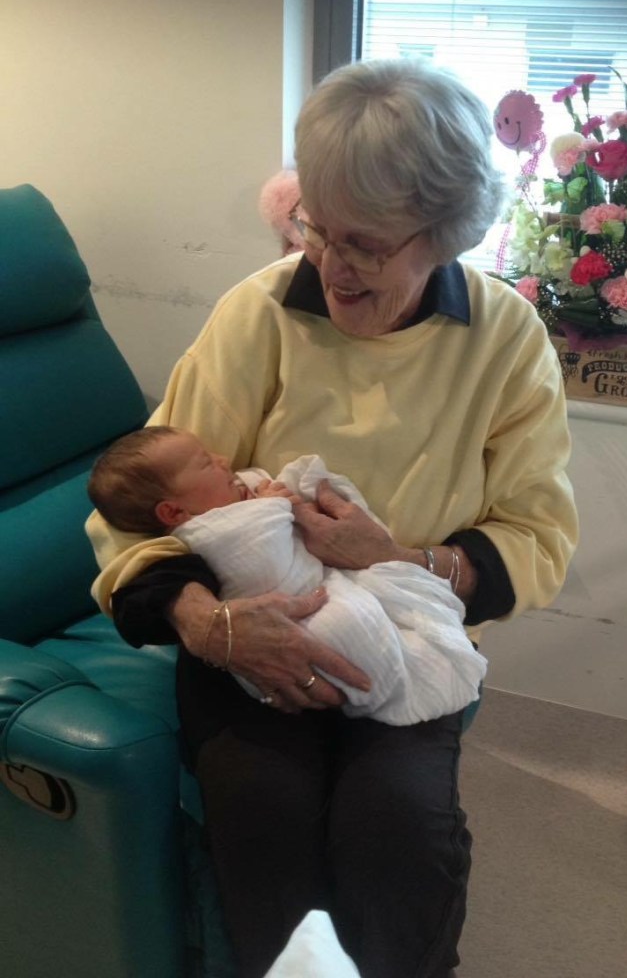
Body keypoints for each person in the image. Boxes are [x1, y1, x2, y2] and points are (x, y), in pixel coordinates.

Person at [86, 56, 578, 978]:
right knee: (264, 817)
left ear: (445, 232)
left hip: (406, 634)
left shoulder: (505, 339)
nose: (330, 265)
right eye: (316, 227)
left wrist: (402, 558)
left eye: (367, 244)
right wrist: (210, 621)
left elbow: (537, 536)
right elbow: (141, 505)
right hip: (252, 629)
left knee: (398, 830)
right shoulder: (260, 313)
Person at [87, 425, 487, 725]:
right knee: (346, 623)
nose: (223, 460)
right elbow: (258, 559)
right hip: (273, 628)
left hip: (328, 586)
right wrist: (272, 507)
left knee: (400, 799)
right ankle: (399, 675)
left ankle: (412, 665)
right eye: (207, 463)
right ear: (173, 512)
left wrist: (393, 554)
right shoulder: (214, 530)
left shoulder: (230, 495)